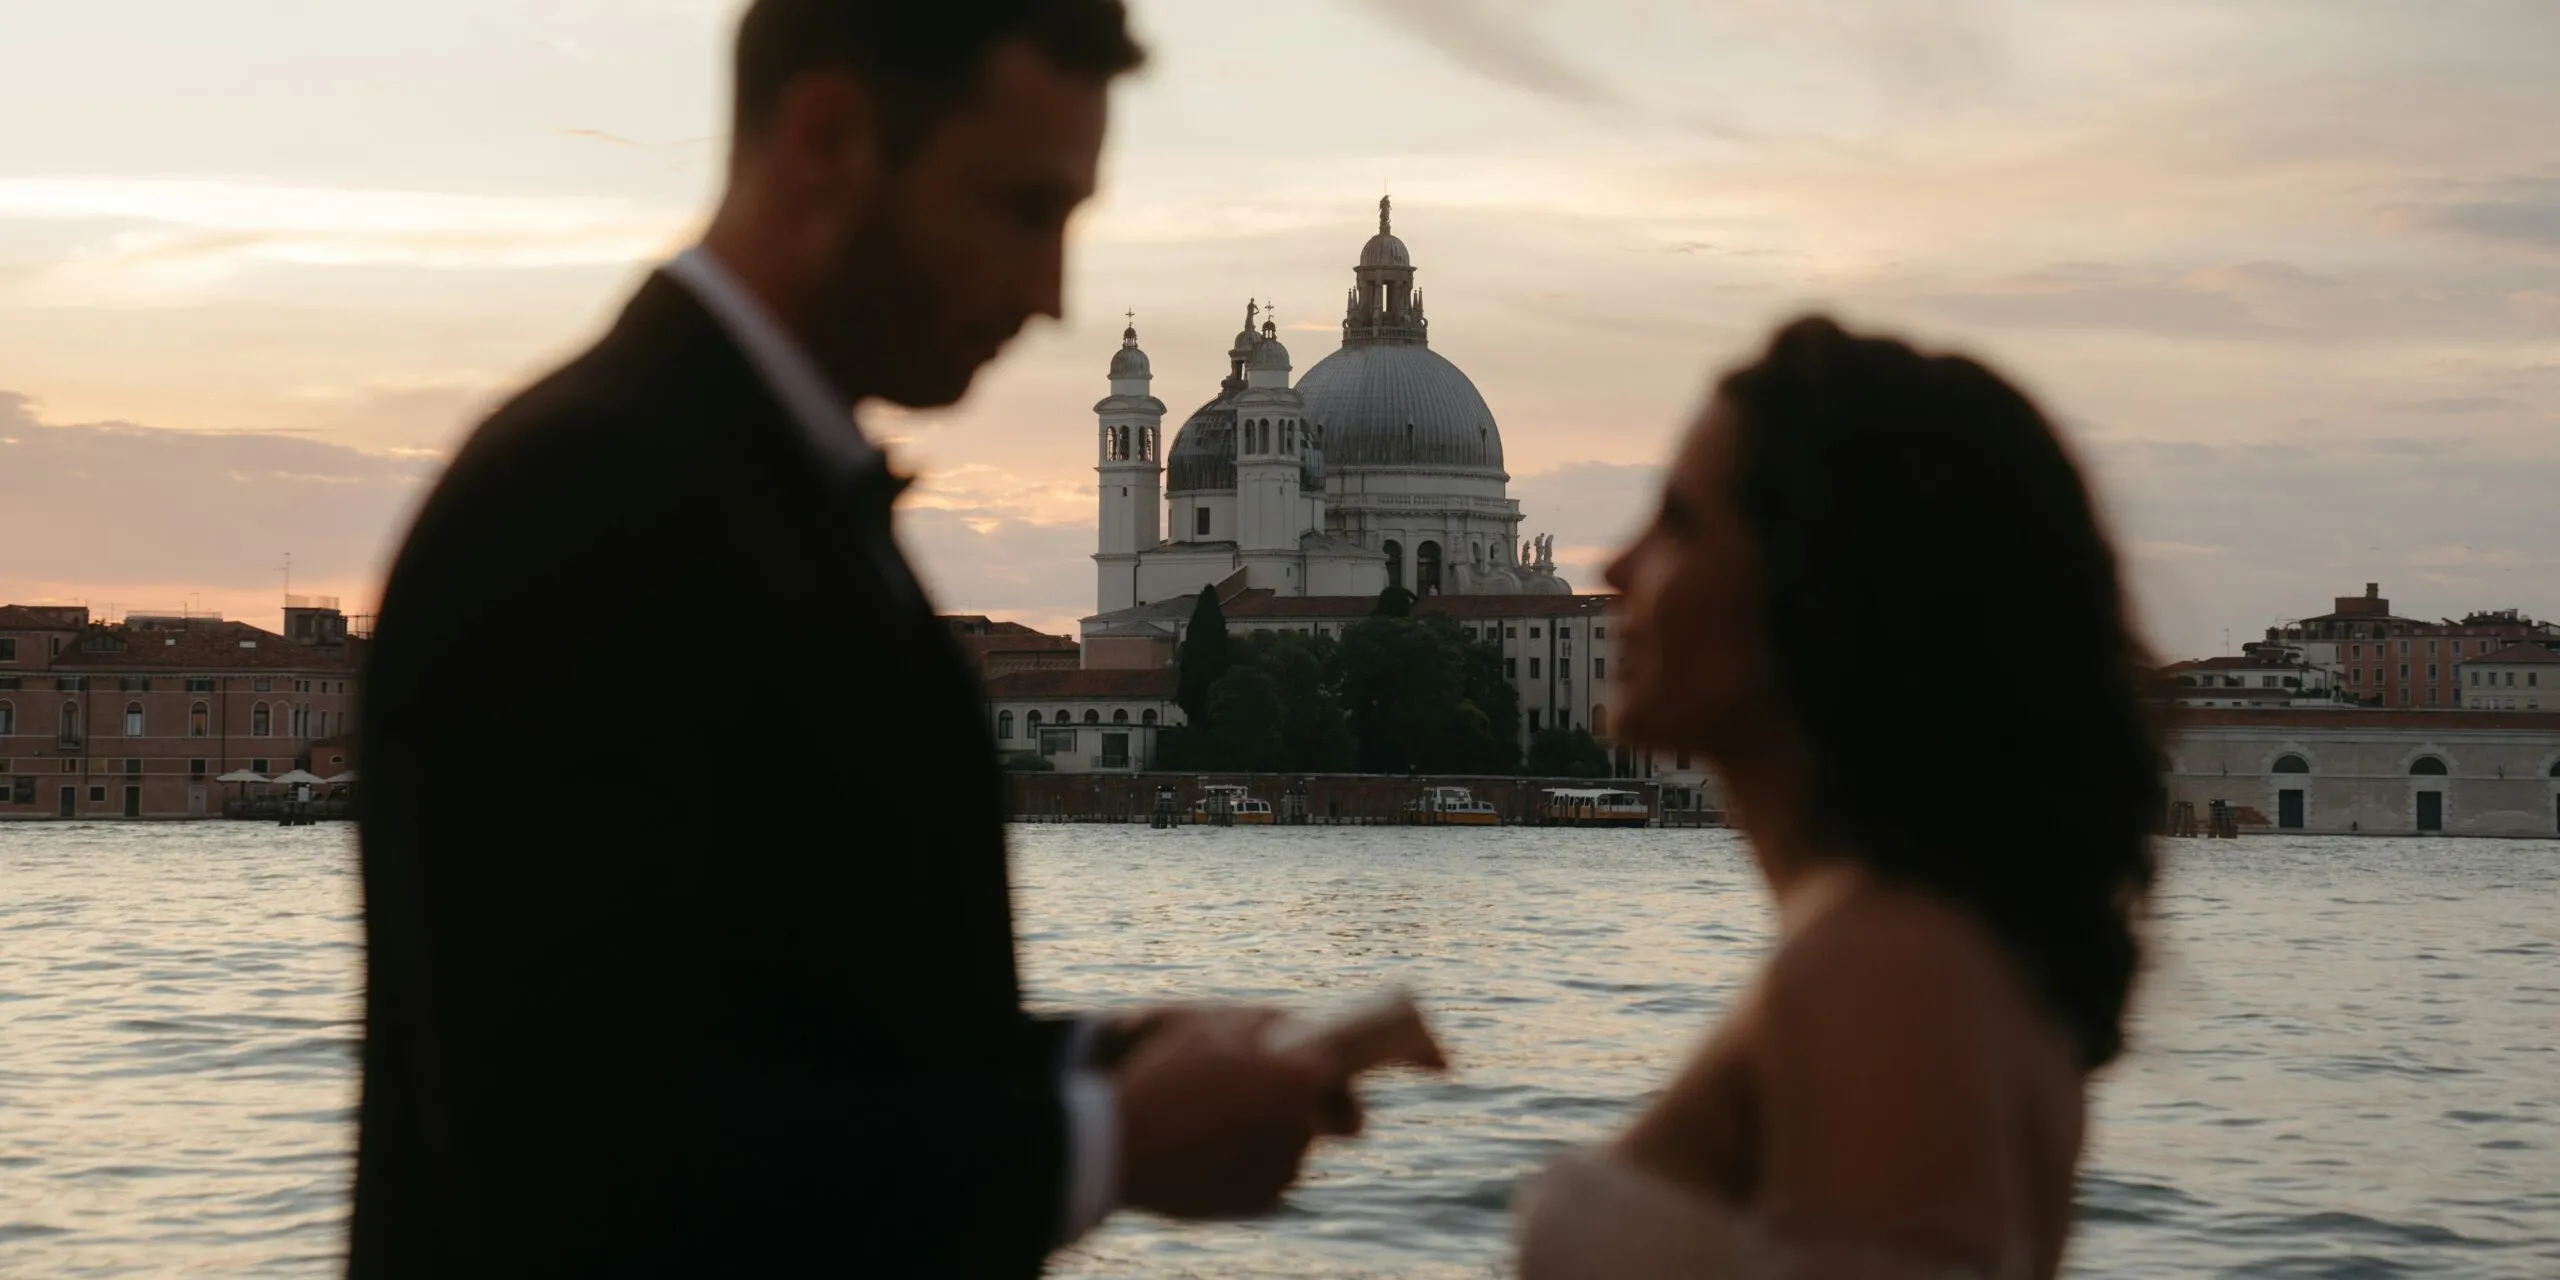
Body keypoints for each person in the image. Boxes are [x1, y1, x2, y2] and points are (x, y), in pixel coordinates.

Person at [349, 4, 1360, 1276]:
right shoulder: (583, 504)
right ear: (828, 138)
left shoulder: (742, 494)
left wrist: (1114, 1061)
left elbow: (806, 1025)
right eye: (1019, 208)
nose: (1051, 294)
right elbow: (576, 1157)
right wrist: (1104, 1140)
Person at [1518, 317, 2162, 1278]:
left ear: (1818, 582)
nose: (1615, 567)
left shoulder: (1883, 964)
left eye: (1681, 521)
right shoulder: (1913, 939)